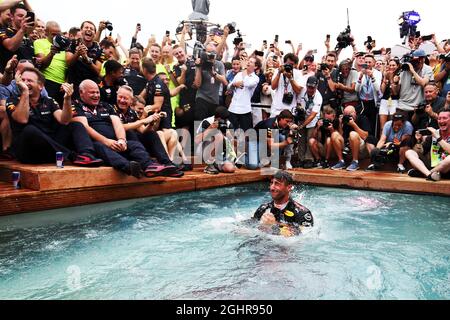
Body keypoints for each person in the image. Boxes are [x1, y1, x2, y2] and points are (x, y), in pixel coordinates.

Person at [72, 80, 172, 178]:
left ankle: (150, 166)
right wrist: (107, 141)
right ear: (81, 92)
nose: (96, 95)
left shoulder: (106, 105)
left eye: (97, 92)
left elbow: (118, 124)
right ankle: (129, 167)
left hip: (115, 142)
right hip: (97, 142)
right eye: (92, 92)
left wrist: (121, 140)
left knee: (134, 144)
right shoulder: (75, 104)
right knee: (100, 146)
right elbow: (84, 126)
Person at [5, 67, 103, 166]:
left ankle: (87, 155)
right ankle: (71, 155)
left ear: (40, 86)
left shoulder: (49, 101)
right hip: (29, 152)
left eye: (29, 80)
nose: (25, 83)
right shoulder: (12, 100)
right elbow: (22, 119)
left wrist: (67, 99)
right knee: (29, 130)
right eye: (23, 80)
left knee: (76, 124)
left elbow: (64, 120)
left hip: (51, 151)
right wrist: (25, 92)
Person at [253, 170, 313, 237]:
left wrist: (273, 226)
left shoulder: (303, 213)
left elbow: (302, 238)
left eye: (277, 184)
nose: (272, 187)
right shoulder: (263, 208)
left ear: (289, 187)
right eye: (271, 183)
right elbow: (250, 226)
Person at [406, 108, 450, 181]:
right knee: (409, 152)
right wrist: (419, 141)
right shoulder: (433, 135)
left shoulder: (435, 135)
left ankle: (425, 173)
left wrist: (438, 138)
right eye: (439, 118)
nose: (441, 121)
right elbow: (419, 152)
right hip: (432, 166)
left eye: (444, 118)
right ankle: (429, 175)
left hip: (447, 170)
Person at [194, 106, 236, 175]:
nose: (224, 121)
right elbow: (196, 140)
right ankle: (210, 164)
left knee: (230, 168)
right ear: (217, 117)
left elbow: (233, 144)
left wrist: (230, 137)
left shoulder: (228, 124)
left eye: (226, 119)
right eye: (223, 119)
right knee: (218, 135)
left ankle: (216, 165)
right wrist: (210, 128)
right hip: (203, 151)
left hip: (220, 154)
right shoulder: (207, 122)